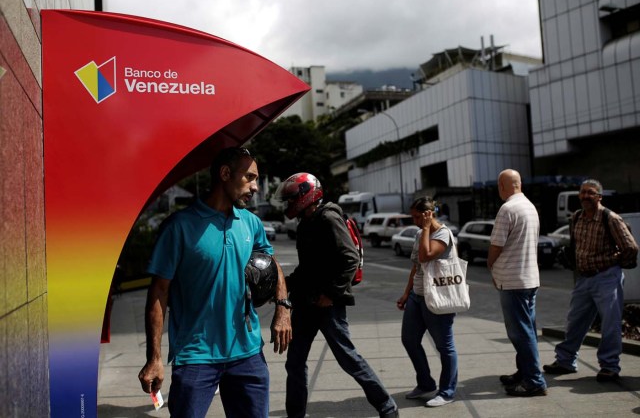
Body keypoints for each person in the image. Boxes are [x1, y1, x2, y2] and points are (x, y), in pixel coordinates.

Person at [137, 147, 292, 418]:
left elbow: (272, 261)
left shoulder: (251, 222)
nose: (256, 187)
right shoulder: (179, 227)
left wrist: (283, 308)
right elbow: (159, 292)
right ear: (224, 174)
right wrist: (154, 358)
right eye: (250, 177)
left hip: (247, 353)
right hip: (196, 355)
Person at [274, 172, 399, 418]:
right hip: (305, 302)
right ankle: (295, 414)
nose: (289, 204)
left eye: (291, 199)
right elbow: (307, 268)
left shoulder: (328, 217)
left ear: (306, 195)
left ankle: (387, 407)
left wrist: (331, 294)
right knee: (295, 363)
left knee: (348, 359)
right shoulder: (305, 223)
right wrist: (282, 285)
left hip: (327, 305)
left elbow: (350, 258)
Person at [543, 179, 638, 382]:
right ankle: (566, 361)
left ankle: (609, 366)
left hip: (606, 278)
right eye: (583, 192)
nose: (586, 196)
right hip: (584, 279)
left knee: (610, 325)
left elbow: (631, 247)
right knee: (575, 321)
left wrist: (612, 263)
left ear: (599, 197)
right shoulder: (577, 217)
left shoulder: (610, 218)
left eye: (591, 193)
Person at [487, 169, 548, 397]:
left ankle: (534, 381)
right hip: (529, 278)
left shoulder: (508, 209)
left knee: (520, 333)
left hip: (513, 280)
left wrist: (490, 264)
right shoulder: (529, 206)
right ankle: (524, 372)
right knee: (528, 329)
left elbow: (497, 244)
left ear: (503, 186)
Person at [396, 197, 459, 407]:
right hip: (417, 295)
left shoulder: (443, 234)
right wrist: (406, 293)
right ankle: (425, 383)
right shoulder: (418, 234)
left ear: (427, 214)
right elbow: (416, 266)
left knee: (445, 346)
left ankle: (447, 391)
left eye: (416, 216)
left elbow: (425, 256)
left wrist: (425, 229)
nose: (414, 220)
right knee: (409, 340)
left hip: (438, 298)